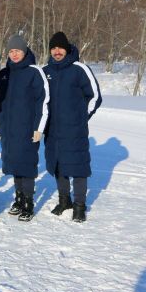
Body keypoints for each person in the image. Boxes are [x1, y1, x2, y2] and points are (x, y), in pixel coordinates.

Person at [43, 31, 102, 222]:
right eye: (53, 48)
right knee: (58, 165)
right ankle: (64, 200)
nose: (57, 51)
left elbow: (95, 96)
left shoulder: (79, 69)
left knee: (78, 167)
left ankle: (79, 205)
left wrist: (82, 118)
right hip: (52, 130)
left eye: (60, 47)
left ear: (67, 49)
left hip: (74, 129)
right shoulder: (46, 72)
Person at [0, 35, 49, 221]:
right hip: (8, 129)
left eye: (18, 51)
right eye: (11, 51)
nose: (14, 54)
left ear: (25, 52)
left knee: (27, 166)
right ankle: (19, 198)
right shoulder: (3, 73)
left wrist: (39, 128)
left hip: (27, 129)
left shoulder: (34, 72)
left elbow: (44, 101)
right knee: (14, 164)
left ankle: (28, 202)